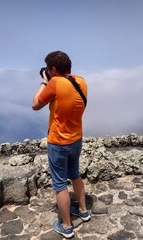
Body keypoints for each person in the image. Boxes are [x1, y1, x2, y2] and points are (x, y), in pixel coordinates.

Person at [32, 50, 90, 238]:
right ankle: (83, 210)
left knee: (59, 184)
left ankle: (66, 226)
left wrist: (44, 81)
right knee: (75, 174)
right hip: (76, 138)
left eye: (49, 70)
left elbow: (35, 105)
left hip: (58, 142)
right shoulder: (81, 81)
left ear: (53, 69)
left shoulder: (54, 83)